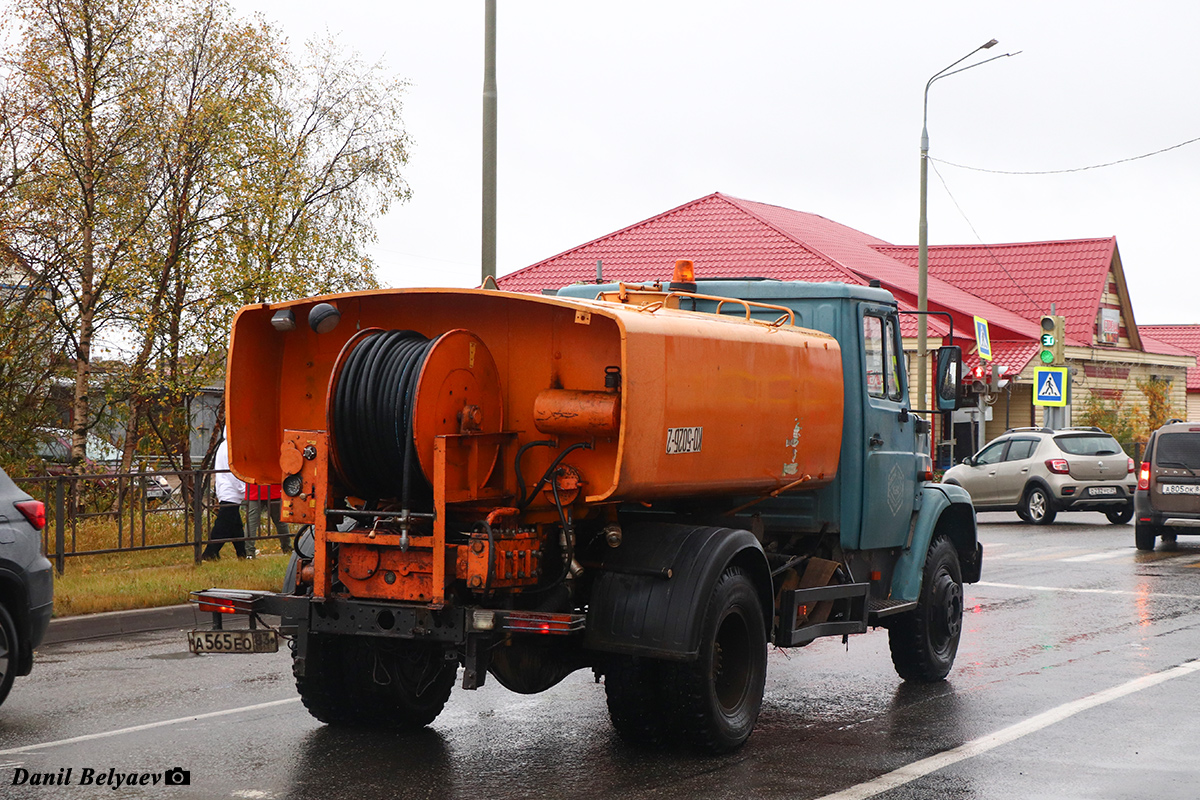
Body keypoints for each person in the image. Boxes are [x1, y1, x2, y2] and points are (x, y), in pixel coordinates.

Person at [202, 436, 248, 560]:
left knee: (235, 525)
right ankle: (210, 552)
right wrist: (243, 488)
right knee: (223, 523)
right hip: (231, 489)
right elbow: (234, 470)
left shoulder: (224, 445)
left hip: (227, 488)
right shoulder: (230, 447)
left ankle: (242, 553)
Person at [244, 482, 292, 554]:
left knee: (251, 522)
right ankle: (287, 548)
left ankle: (249, 552)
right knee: (280, 521)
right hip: (274, 488)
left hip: (255, 488)